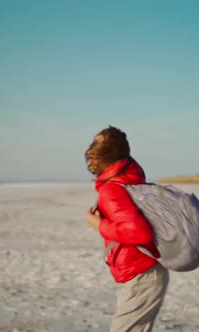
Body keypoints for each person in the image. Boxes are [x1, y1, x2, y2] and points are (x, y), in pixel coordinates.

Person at [84, 126, 169, 332]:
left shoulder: (112, 188)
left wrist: (98, 224)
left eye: (98, 145)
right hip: (144, 270)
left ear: (110, 153)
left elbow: (139, 233)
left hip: (141, 273)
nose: (90, 152)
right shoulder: (128, 180)